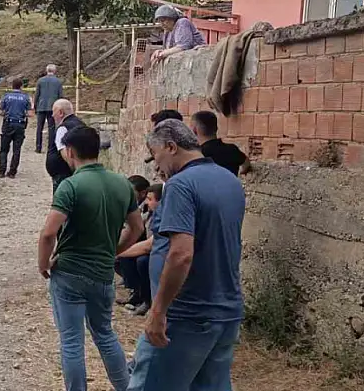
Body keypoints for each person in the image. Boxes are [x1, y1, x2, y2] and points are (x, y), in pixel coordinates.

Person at [128, 120, 246, 391]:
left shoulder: (181, 185)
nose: (155, 166)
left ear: (171, 147)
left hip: (186, 314)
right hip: (225, 310)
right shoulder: (230, 180)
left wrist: (158, 311)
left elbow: (181, 254)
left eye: (156, 155)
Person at [38, 126, 145, 391]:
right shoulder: (123, 183)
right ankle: (126, 387)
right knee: (105, 334)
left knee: (72, 341)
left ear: (70, 151)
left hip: (70, 272)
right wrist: (113, 250)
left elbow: (49, 232)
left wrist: (43, 264)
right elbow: (137, 228)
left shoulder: (70, 185)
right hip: (103, 274)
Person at [116, 184, 163, 317]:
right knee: (126, 257)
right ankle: (136, 293)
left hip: (159, 253)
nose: (147, 202)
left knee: (142, 261)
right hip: (151, 250)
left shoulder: (164, 217)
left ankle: (148, 301)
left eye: (150, 199)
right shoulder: (149, 214)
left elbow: (150, 245)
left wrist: (116, 252)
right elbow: (133, 226)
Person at [190, 110, 250, 177]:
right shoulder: (232, 150)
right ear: (216, 128)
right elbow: (246, 164)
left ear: (194, 130)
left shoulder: (196, 156)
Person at [45, 99, 87, 192]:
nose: (52, 115)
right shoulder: (81, 124)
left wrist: (74, 169)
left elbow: (64, 152)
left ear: (60, 112)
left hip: (63, 174)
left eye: (53, 112)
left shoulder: (63, 128)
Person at [0, 78, 33, 178]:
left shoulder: (6, 97)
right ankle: (12, 172)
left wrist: (6, 114)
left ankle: (1, 171)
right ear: (21, 86)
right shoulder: (26, 98)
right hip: (20, 125)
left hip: (8, 124)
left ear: (12, 86)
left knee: (4, 149)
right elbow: (30, 114)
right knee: (16, 150)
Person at [34, 64, 64, 153]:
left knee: (39, 127)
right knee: (51, 127)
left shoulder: (40, 81)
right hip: (53, 107)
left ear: (46, 71)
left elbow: (37, 95)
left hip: (41, 106)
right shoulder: (58, 82)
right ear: (54, 71)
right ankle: (51, 147)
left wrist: (35, 105)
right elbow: (60, 96)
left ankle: (38, 147)